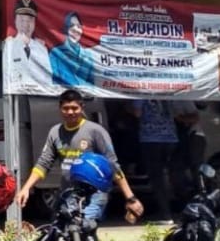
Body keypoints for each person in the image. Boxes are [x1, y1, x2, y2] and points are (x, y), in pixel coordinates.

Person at [15, 89, 143, 225]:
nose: (70, 112)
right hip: (68, 191)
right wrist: (26, 188)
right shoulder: (55, 132)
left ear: (82, 107)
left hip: (94, 193)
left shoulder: (95, 131)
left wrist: (130, 198)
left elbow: (113, 166)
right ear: (60, 109)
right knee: (60, 229)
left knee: (82, 227)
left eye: (74, 108)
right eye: (66, 108)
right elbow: (43, 164)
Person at [128, 98, 179, 220]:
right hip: (171, 137)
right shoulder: (166, 92)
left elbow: (137, 112)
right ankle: (175, 207)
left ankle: (165, 213)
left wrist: (127, 107)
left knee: (157, 177)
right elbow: (176, 113)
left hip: (151, 138)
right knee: (168, 174)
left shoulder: (142, 93)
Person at [5, 0, 49, 90]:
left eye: (30, 20)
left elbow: (47, 79)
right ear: (15, 21)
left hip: (37, 95)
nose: (25, 24)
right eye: (21, 19)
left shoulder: (41, 49)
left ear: (35, 23)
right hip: (15, 95)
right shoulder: (8, 46)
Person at [49, 11, 96, 87]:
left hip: (83, 94)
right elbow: (53, 80)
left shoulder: (88, 56)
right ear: (66, 29)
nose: (75, 29)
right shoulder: (55, 53)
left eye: (78, 26)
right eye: (71, 25)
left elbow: (92, 84)